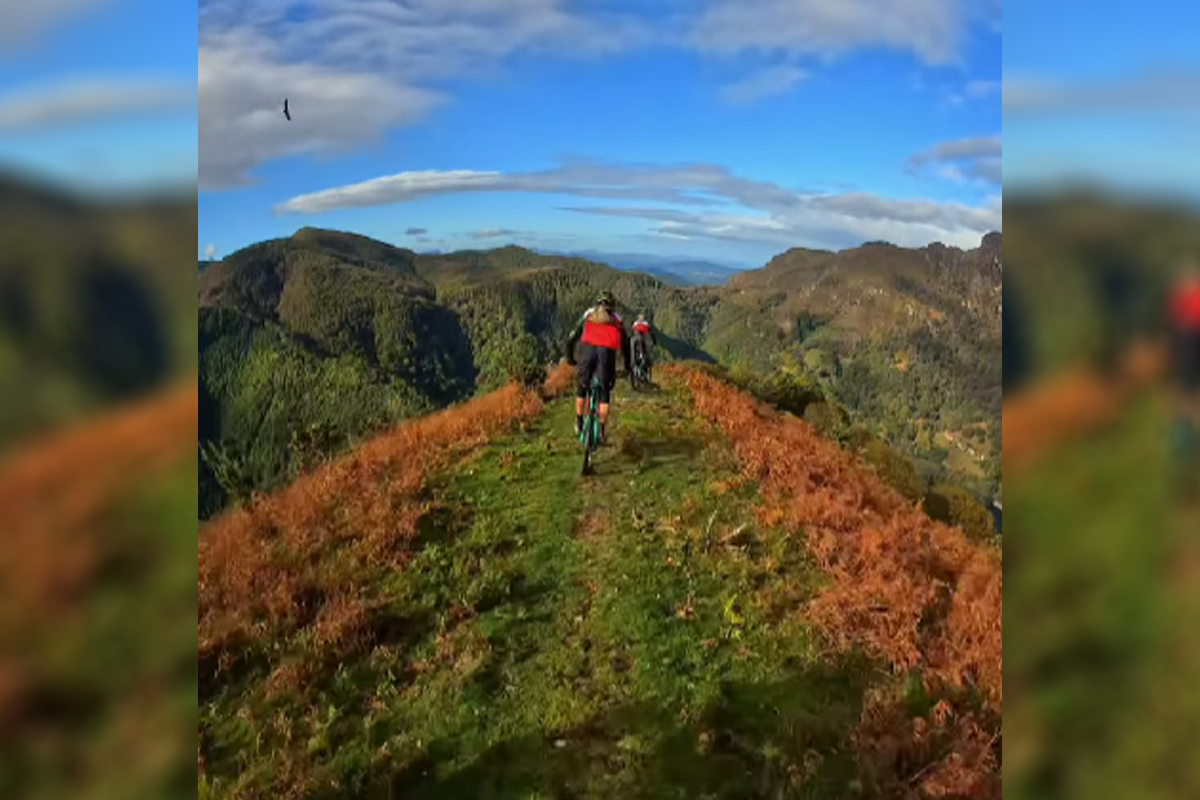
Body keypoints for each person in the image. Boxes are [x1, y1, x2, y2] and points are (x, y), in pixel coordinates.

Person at [565, 290, 632, 444]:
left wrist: (570, 359)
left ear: (597, 303)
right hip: (606, 355)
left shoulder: (588, 315)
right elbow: (626, 347)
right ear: (612, 306)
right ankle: (601, 431)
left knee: (582, 387)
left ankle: (579, 421)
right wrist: (627, 368)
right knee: (604, 392)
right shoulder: (617, 320)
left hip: (587, 352)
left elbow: (571, 339)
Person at [1168, 263, 1200, 460]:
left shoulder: (1181, 296)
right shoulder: (1187, 295)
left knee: (1186, 393)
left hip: (1187, 341)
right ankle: (1186, 441)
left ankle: (1185, 442)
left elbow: (1174, 318)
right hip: (1188, 341)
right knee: (1188, 393)